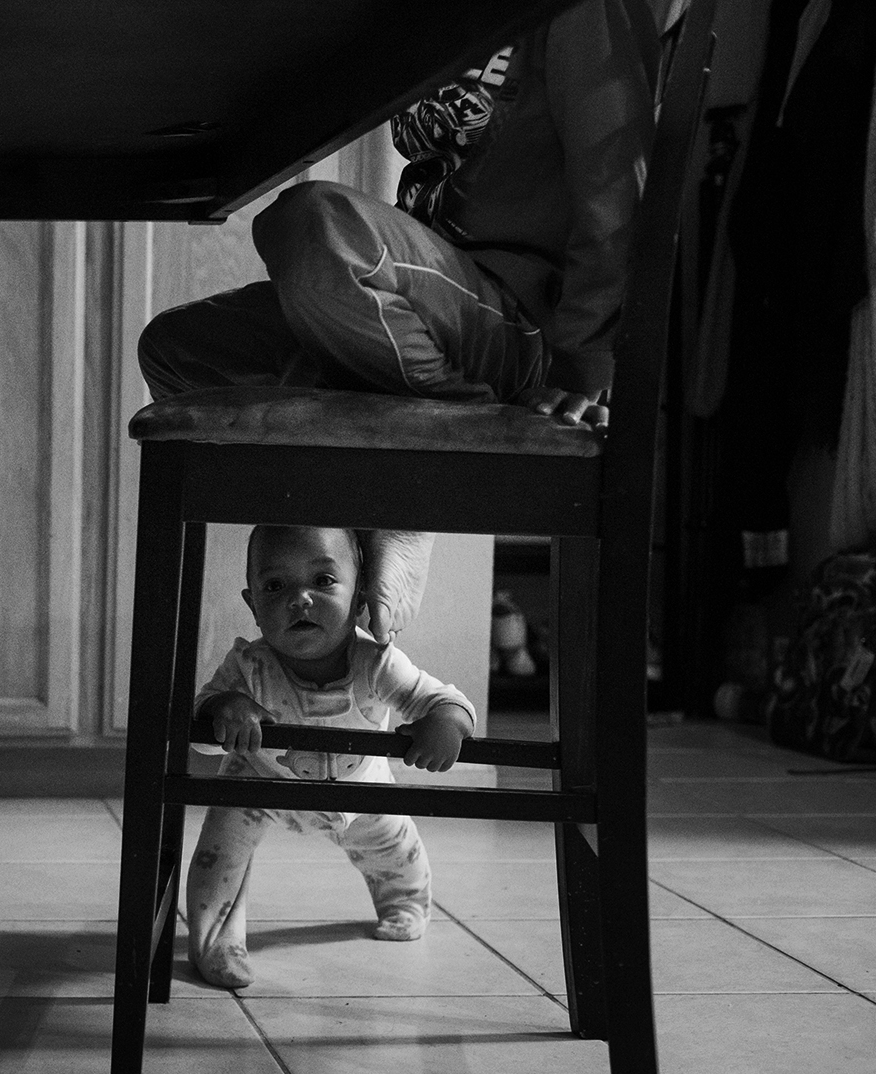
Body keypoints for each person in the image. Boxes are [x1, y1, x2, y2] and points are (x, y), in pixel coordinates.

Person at [138, 0, 666, 644]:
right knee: (177, 349)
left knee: (314, 223)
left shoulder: (581, 8)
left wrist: (587, 363)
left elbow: (618, 184)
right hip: (421, 308)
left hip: (516, 323)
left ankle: (421, 480)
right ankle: (361, 525)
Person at [187, 526, 475, 990]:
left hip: (361, 788)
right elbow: (198, 737)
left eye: (322, 581)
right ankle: (217, 940)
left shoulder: (376, 661)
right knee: (219, 855)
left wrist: (447, 721)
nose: (299, 599)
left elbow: (440, 697)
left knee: (396, 849)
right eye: (276, 587)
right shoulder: (249, 666)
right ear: (252, 605)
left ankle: (405, 903)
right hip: (259, 783)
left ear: (359, 594)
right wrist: (223, 710)